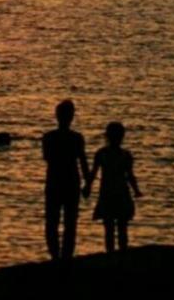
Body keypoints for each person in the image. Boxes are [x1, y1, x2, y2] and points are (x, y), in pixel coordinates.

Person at [83, 121, 142, 253]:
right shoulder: (124, 155)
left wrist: (88, 186)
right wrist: (136, 190)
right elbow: (130, 176)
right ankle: (121, 254)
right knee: (121, 227)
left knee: (110, 228)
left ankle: (112, 254)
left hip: (109, 193)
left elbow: (93, 173)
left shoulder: (102, 153)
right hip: (119, 193)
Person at [42, 99, 89, 261]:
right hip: (71, 182)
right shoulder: (77, 138)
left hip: (54, 181)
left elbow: (47, 158)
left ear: (57, 116)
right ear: (71, 117)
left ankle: (55, 255)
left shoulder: (48, 137)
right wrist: (88, 183)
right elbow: (83, 162)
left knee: (52, 221)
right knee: (70, 222)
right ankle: (66, 256)